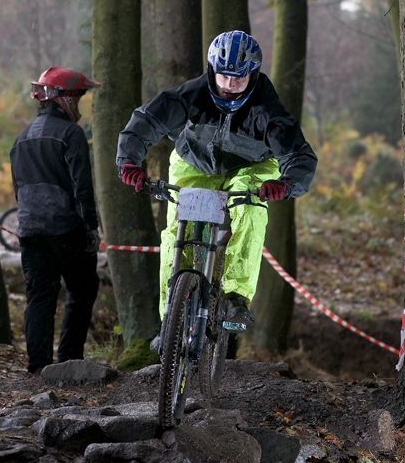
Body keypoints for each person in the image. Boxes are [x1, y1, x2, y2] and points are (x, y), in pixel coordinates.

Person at [116, 30, 317, 327]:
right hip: (194, 161)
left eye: (238, 78)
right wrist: (129, 161)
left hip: (251, 166)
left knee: (250, 211)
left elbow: (299, 155)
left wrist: (285, 184)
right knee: (176, 229)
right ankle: (171, 317)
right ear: (212, 70)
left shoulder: (267, 110)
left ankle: (236, 297)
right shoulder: (192, 94)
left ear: (252, 75)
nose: (230, 85)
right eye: (224, 76)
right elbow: (147, 120)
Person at [10, 66, 101, 374]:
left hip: (29, 230)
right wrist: (91, 227)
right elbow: (82, 187)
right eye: (79, 98)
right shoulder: (71, 134)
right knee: (83, 288)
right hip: (65, 227)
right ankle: (69, 359)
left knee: (39, 295)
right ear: (65, 99)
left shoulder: (21, 139)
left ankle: (38, 366)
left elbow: (18, 190)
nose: (80, 106)